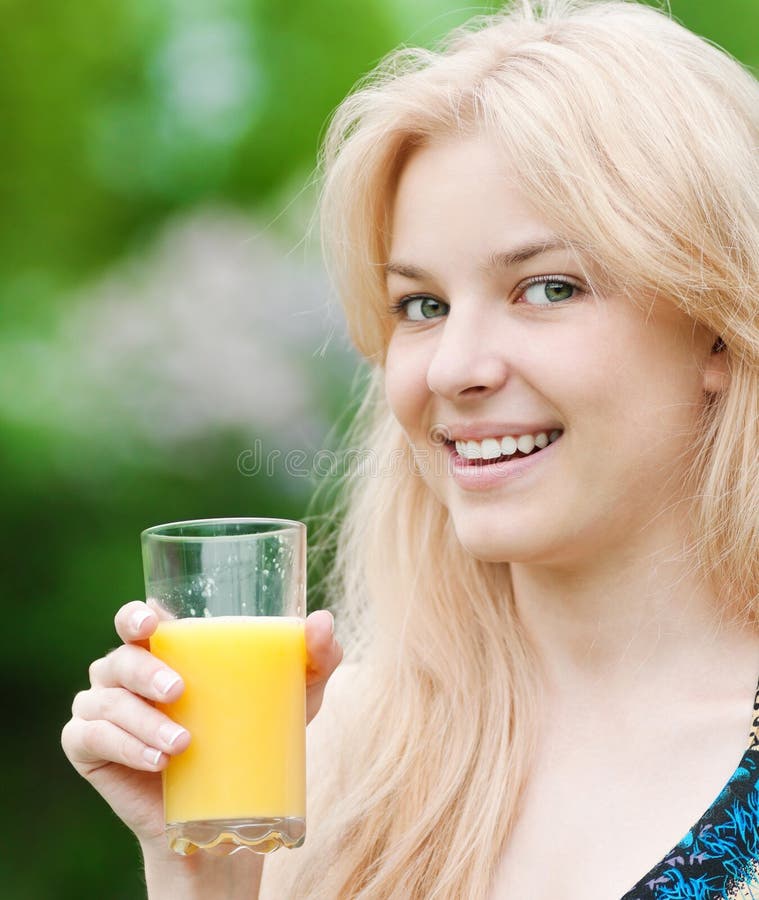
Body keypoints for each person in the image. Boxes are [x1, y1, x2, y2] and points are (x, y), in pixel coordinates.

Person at [61, 0, 759, 897]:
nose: (454, 369)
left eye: (547, 287)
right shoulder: (331, 756)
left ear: (715, 327)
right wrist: (202, 872)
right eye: (420, 306)